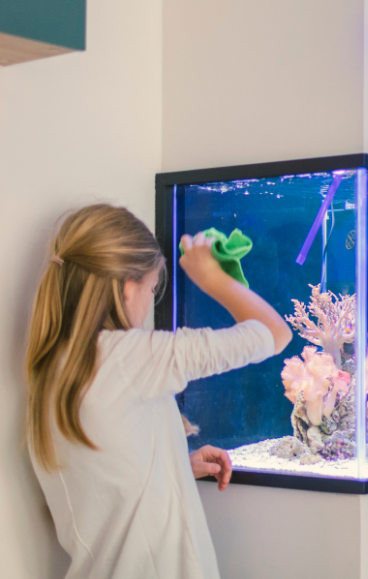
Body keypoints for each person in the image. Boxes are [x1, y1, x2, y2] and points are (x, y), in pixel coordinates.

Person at [26, 204, 293, 579]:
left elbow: (104, 484)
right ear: (127, 287)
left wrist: (174, 467)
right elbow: (274, 334)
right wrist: (211, 277)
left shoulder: (55, 365)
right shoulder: (125, 356)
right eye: (152, 289)